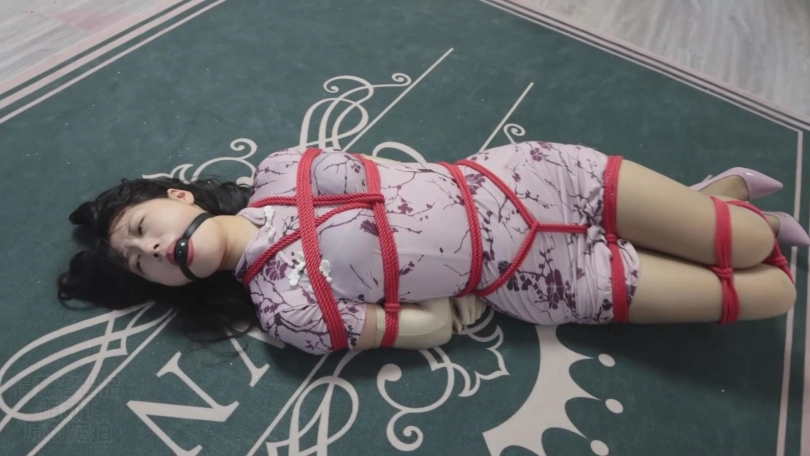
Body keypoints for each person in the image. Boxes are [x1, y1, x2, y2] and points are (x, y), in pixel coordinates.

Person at [57, 142, 809, 355]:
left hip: (536, 177)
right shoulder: (288, 312)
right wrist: (446, 300)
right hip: (544, 279)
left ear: (178, 195)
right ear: (169, 284)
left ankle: (723, 209)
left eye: (142, 227)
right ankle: (711, 203)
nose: (154, 248)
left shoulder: (284, 170)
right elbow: (433, 326)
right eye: (140, 262)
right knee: (773, 292)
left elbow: (405, 175)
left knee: (748, 240)